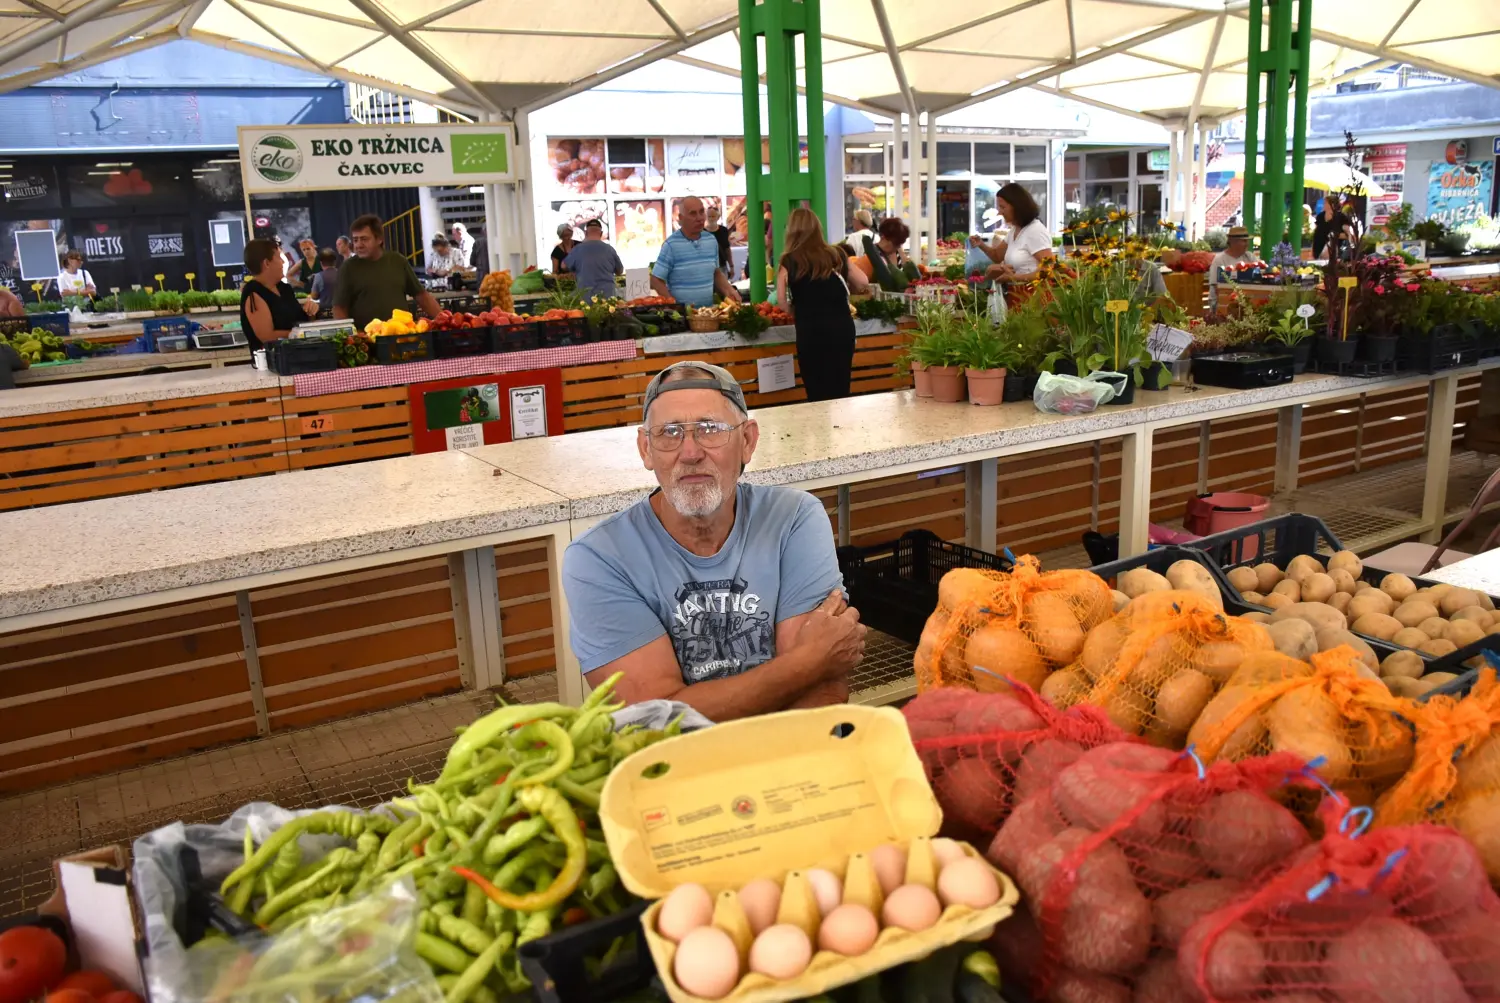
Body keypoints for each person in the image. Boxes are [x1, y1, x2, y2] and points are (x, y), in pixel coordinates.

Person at [561, 361, 866, 720]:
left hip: (788, 754)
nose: (690, 452)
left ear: (747, 441)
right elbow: (654, 720)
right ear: (646, 449)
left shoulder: (793, 519)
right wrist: (808, 661)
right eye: (669, 432)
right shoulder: (599, 558)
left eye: (710, 429)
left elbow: (822, 690)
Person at [775, 207, 868, 402]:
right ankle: (841, 429)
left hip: (810, 330)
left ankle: (821, 429)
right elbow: (863, 282)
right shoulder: (837, 254)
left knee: (816, 387)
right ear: (818, 228)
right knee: (841, 385)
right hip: (841, 327)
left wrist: (796, 309)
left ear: (791, 231)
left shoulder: (788, 260)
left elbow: (781, 300)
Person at [334, 214, 441, 332]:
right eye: (355, 240)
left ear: (379, 239)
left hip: (402, 337)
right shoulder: (348, 268)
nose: (358, 245)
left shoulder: (398, 261)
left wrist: (444, 320)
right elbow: (339, 308)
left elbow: (422, 296)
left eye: (364, 239)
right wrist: (351, 337)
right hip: (366, 340)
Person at [652, 196, 743, 308]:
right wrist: (673, 306)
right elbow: (656, 280)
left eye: (701, 212)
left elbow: (715, 272)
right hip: (683, 318)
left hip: (707, 316)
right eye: (693, 214)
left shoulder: (711, 240)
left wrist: (729, 290)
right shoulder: (671, 245)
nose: (700, 218)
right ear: (681, 218)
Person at [240, 238, 318, 352]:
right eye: (279, 258)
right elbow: (267, 337)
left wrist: (311, 311)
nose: (283, 262)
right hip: (274, 362)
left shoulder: (284, 288)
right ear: (267, 263)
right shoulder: (253, 293)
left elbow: (300, 321)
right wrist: (302, 334)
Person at [970, 183, 1054, 280]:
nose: (999, 212)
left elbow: (1049, 269)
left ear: (1017, 207)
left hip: (1031, 293)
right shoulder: (1015, 230)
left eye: (1003, 207)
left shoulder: (1035, 231)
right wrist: (981, 245)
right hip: (1015, 292)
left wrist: (1014, 278)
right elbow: (997, 256)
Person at [563, 218, 624, 301]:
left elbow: (563, 266)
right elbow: (620, 271)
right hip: (608, 301)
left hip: (585, 301)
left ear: (586, 233)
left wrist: (575, 269)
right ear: (601, 233)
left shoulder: (578, 249)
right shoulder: (610, 250)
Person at [856, 217, 920, 292]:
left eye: (900, 243)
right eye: (895, 243)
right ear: (883, 237)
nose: (898, 246)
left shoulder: (896, 254)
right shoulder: (870, 257)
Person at [308, 248, 340, 315]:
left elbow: (314, 296)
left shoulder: (318, 276)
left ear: (321, 263)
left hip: (326, 313)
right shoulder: (343, 274)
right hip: (342, 311)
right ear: (335, 262)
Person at [705, 203, 732, 276]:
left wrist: (731, 266)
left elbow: (727, 248)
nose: (711, 219)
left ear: (718, 217)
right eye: (709, 216)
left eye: (713, 216)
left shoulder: (724, 230)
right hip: (707, 267)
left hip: (722, 265)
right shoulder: (702, 232)